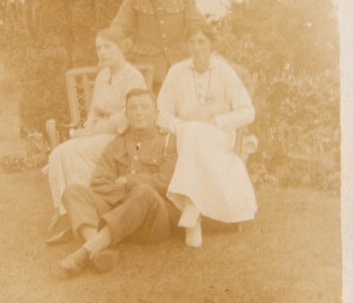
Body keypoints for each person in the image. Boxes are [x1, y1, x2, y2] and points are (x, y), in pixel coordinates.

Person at [57, 89, 178, 277]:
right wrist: (126, 202)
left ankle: (85, 252)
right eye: (133, 108)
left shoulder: (169, 142)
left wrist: (128, 182)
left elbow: (167, 181)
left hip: (152, 222)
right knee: (73, 191)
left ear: (156, 113)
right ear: (127, 114)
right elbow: (98, 183)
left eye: (145, 107)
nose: (139, 112)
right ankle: (98, 249)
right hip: (119, 216)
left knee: (144, 192)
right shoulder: (117, 144)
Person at [157, 22, 257, 247]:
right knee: (192, 131)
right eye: (192, 42)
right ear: (186, 45)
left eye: (201, 41)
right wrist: (180, 127)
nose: (197, 47)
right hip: (184, 138)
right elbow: (161, 113)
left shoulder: (224, 72)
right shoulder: (177, 72)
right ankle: (193, 211)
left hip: (218, 138)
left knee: (195, 132)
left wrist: (218, 121)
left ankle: (192, 210)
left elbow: (248, 111)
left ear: (211, 44)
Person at [46, 28, 147, 234]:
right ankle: (66, 212)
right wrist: (86, 131)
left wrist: (91, 133)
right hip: (101, 134)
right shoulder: (102, 76)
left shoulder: (132, 77)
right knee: (60, 153)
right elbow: (93, 113)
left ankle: (82, 212)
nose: (102, 52)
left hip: (122, 138)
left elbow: (126, 118)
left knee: (70, 152)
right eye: (98, 48)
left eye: (107, 47)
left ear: (121, 48)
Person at [109, 0, 208, 91]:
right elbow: (119, 26)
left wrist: (202, 52)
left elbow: (198, 25)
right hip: (148, 74)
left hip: (181, 70)